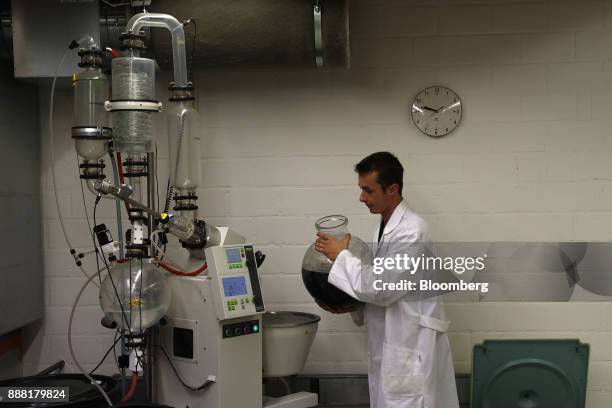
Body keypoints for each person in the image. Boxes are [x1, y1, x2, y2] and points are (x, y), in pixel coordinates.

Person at [314, 151, 459, 408]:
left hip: (410, 347)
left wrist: (342, 256)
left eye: (368, 190)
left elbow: (384, 289)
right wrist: (350, 305)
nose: (361, 197)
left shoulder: (412, 232)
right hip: (395, 347)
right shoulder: (384, 226)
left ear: (392, 189)